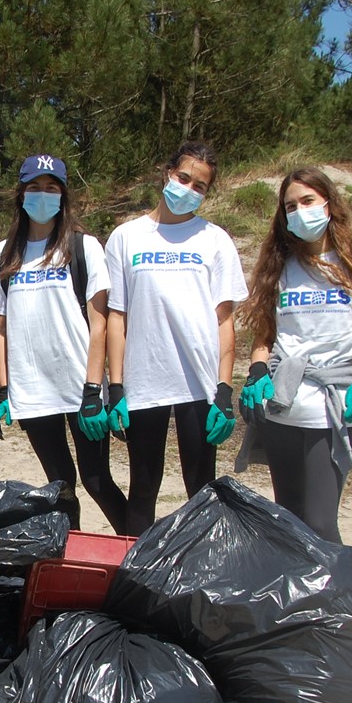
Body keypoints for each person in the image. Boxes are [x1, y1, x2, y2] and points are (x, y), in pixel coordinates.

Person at [234, 166, 352, 544]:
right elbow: (263, 340)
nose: (299, 211)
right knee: (288, 522)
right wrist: (257, 374)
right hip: (282, 408)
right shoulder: (280, 267)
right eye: (290, 206)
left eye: (307, 201)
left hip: (332, 410)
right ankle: (299, 601)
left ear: (328, 203)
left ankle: (339, 600)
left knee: (321, 524)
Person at [104, 141, 248, 536]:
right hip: (144, 380)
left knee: (202, 490)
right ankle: (135, 579)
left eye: (200, 186)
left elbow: (224, 321)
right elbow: (117, 315)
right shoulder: (126, 236)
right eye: (183, 177)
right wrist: (115, 386)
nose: (188, 189)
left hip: (198, 384)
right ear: (166, 173)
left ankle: (205, 577)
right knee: (143, 488)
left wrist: (223, 390)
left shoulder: (215, 240)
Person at [0, 153, 128, 533]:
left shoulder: (83, 247)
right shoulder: (1, 255)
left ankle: (142, 555)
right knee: (59, 485)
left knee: (96, 480)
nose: (43, 196)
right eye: (34, 188)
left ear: (63, 195)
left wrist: (95, 391)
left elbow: (100, 324)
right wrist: (3, 390)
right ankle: (71, 558)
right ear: (21, 194)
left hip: (80, 388)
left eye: (51, 188)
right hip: (32, 392)